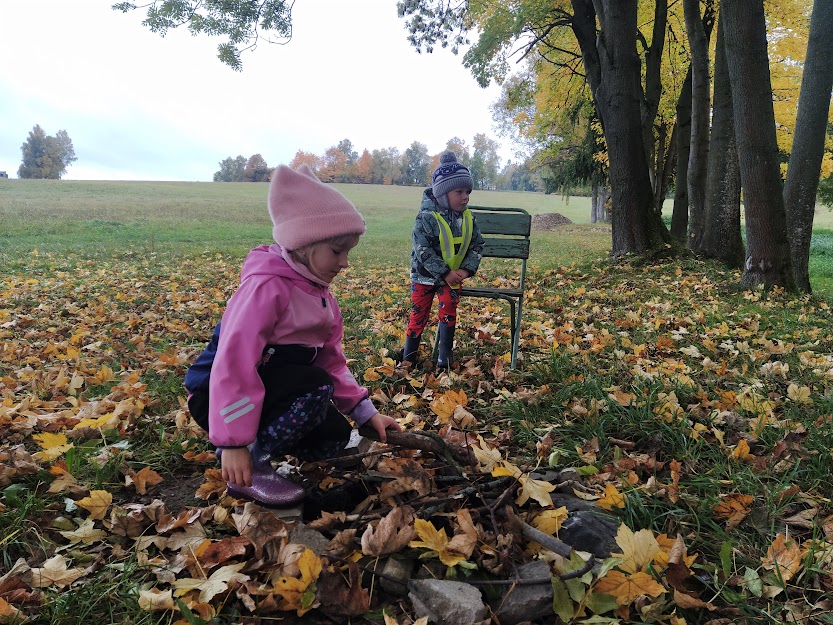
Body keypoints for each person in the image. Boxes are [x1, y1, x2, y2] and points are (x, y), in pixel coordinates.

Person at [184, 164, 401, 508]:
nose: (345, 262)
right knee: (315, 387)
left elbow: (331, 360)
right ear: (304, 244)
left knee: (332, 437)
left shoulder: (321, 297)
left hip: (272, 390)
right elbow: (234, 362)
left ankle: (266, 445)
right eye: (337, 251)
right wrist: (234, 442)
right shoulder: (267, 287)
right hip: (216, 397)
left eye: (348, 252)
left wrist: (364, 412)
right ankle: (249, 466)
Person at [400, 150, 484, 369]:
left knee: (448, 314)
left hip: (452, 279)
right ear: (442, 194)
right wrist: (444, 271)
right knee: (418, 314)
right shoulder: (426, 217)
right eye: (459, 192)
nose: (465, 197)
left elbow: (477, 244)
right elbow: (423, 249)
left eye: (468, 191)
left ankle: (444, 357)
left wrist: (465, 270)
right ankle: (409, 356)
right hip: (424, 277)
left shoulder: (468, 218)